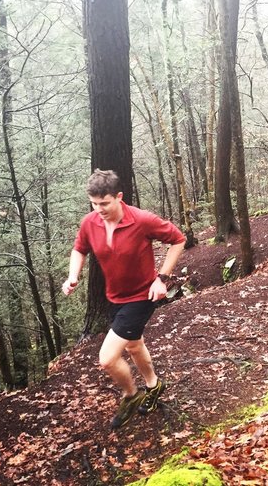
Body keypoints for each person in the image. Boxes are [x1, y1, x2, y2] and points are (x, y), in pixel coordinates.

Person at [62, 169, 186, 429]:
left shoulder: (142, 220)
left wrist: (162, 278)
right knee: (133, 346)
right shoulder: (89, 222)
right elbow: (79, 249)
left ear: (119, 197)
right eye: (94, 203)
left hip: (142, 296)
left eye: (104, 203)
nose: (99, 209)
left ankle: (130, 395)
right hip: (114, 296)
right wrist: (73, 276)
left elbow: (177, 239)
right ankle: (154, 385)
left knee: (107, 359)